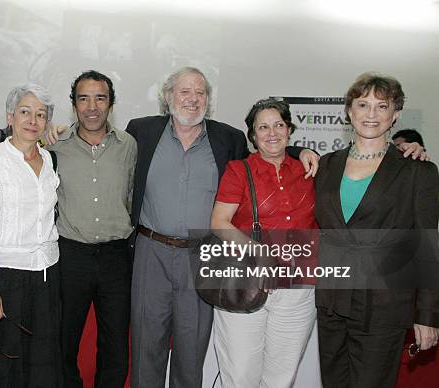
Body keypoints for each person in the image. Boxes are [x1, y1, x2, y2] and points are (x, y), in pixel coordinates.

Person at [125, 67, 320, 388]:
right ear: (167, 96)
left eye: (200, 92)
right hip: (151, 250)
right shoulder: (141, 131)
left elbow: (268, 152)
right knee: (147, 346)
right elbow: (103, 142)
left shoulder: (226, 139)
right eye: (184, 91)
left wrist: (301, 151)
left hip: (203, 255)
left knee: (192, 349)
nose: (192, 99)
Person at [314, 73, 439, 387]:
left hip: (385, 302)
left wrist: (426, 315)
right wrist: (297, 151)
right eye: (363, 104)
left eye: (381, 106)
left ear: (395, 115)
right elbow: (272, 151)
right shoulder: (326, 165)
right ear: (349, 111)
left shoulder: (417, 170)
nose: (371, 114)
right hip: (332, 299)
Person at [209, 98, 317, 387]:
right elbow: (219, 222)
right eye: (263, 127)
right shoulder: (238, 171)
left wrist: (410, 148)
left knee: (282, 377)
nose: (272, 133)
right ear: (253, 136)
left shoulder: (309, 171)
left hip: (298, 289)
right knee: (241, 374)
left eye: (279, 125)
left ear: (289, 129)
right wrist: (261, 253)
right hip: (246, 283)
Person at [47, 70, 136, 387]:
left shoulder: (129, 146)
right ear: (73, 105)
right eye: (83, 98)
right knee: (64, 342)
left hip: (116, 258)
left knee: (115, 348)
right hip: (71, 256)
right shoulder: (54, 146)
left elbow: (131, 197)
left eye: (100, 98)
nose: (92, 106)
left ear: (111, 104)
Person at [0, 83, 62, 387]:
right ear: (10, 116)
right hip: (5, 276)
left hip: (47, 274)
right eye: (25, 112)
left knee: (42, 361)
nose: (32, 120)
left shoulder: (49, 161)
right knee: (4, 363)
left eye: (40, 114)